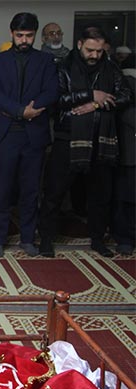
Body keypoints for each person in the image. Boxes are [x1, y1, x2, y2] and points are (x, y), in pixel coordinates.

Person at [39, 27, 131, 258]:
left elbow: (125, 96)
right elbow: (56, 100)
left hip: (101, 138)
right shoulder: (63, 67)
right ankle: (46, 239)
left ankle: (98, 239)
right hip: (68, 137)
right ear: (80, 44)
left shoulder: (111, 68)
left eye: (99, 51)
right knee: (54, 192)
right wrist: (90, 95)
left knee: (100, 194)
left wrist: (97, 104)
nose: (95, 56)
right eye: (90, 50)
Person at [0, 12, 59, 258]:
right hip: (7, 133)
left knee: (31, 190)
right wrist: (21, 111)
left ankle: (28, 238)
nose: (24, 40)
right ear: (11, 33)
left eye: (29, 36)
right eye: (20, 35)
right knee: (2, 189)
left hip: (35, 135)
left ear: (35, 35)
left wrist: (32, 110)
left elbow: (52, 91)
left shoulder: (47, 61)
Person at [112, 70, 135, 255]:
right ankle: (124, 237)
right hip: (130, 152)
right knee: (126, 197)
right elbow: (125, 110)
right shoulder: (129, 79)